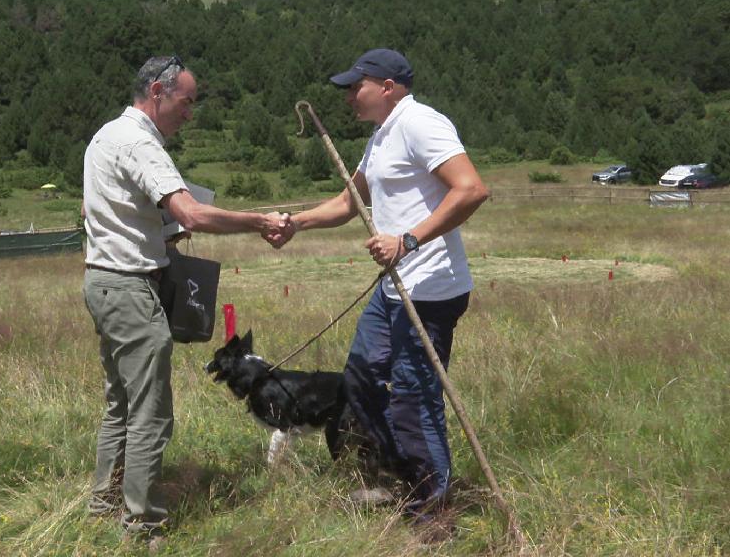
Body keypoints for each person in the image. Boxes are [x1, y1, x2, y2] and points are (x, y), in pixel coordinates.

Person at [268, 48, 489, 523]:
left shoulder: (421, 124)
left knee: (413, 396)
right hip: (393, 288)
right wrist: (296, 223)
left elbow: (471, 189)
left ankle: (431, 514)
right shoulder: (381, 136)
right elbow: (349, 202)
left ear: (387, 86)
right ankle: (394, 477)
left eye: (356, 86)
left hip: (429, 290)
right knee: (362, 380)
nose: (350, 95)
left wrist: (407, 241)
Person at [81, 55, 288, 542]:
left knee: (122, 405)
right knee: (150, 411)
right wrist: (259, 221)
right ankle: (142, 525)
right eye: (186, 102)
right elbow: (190, 214)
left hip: (105, 282)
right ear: (157, 92)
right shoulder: (140, 142)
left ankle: (102, 507)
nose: (190, 113)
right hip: (130, 287)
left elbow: (125, 214)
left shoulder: (107, 135)